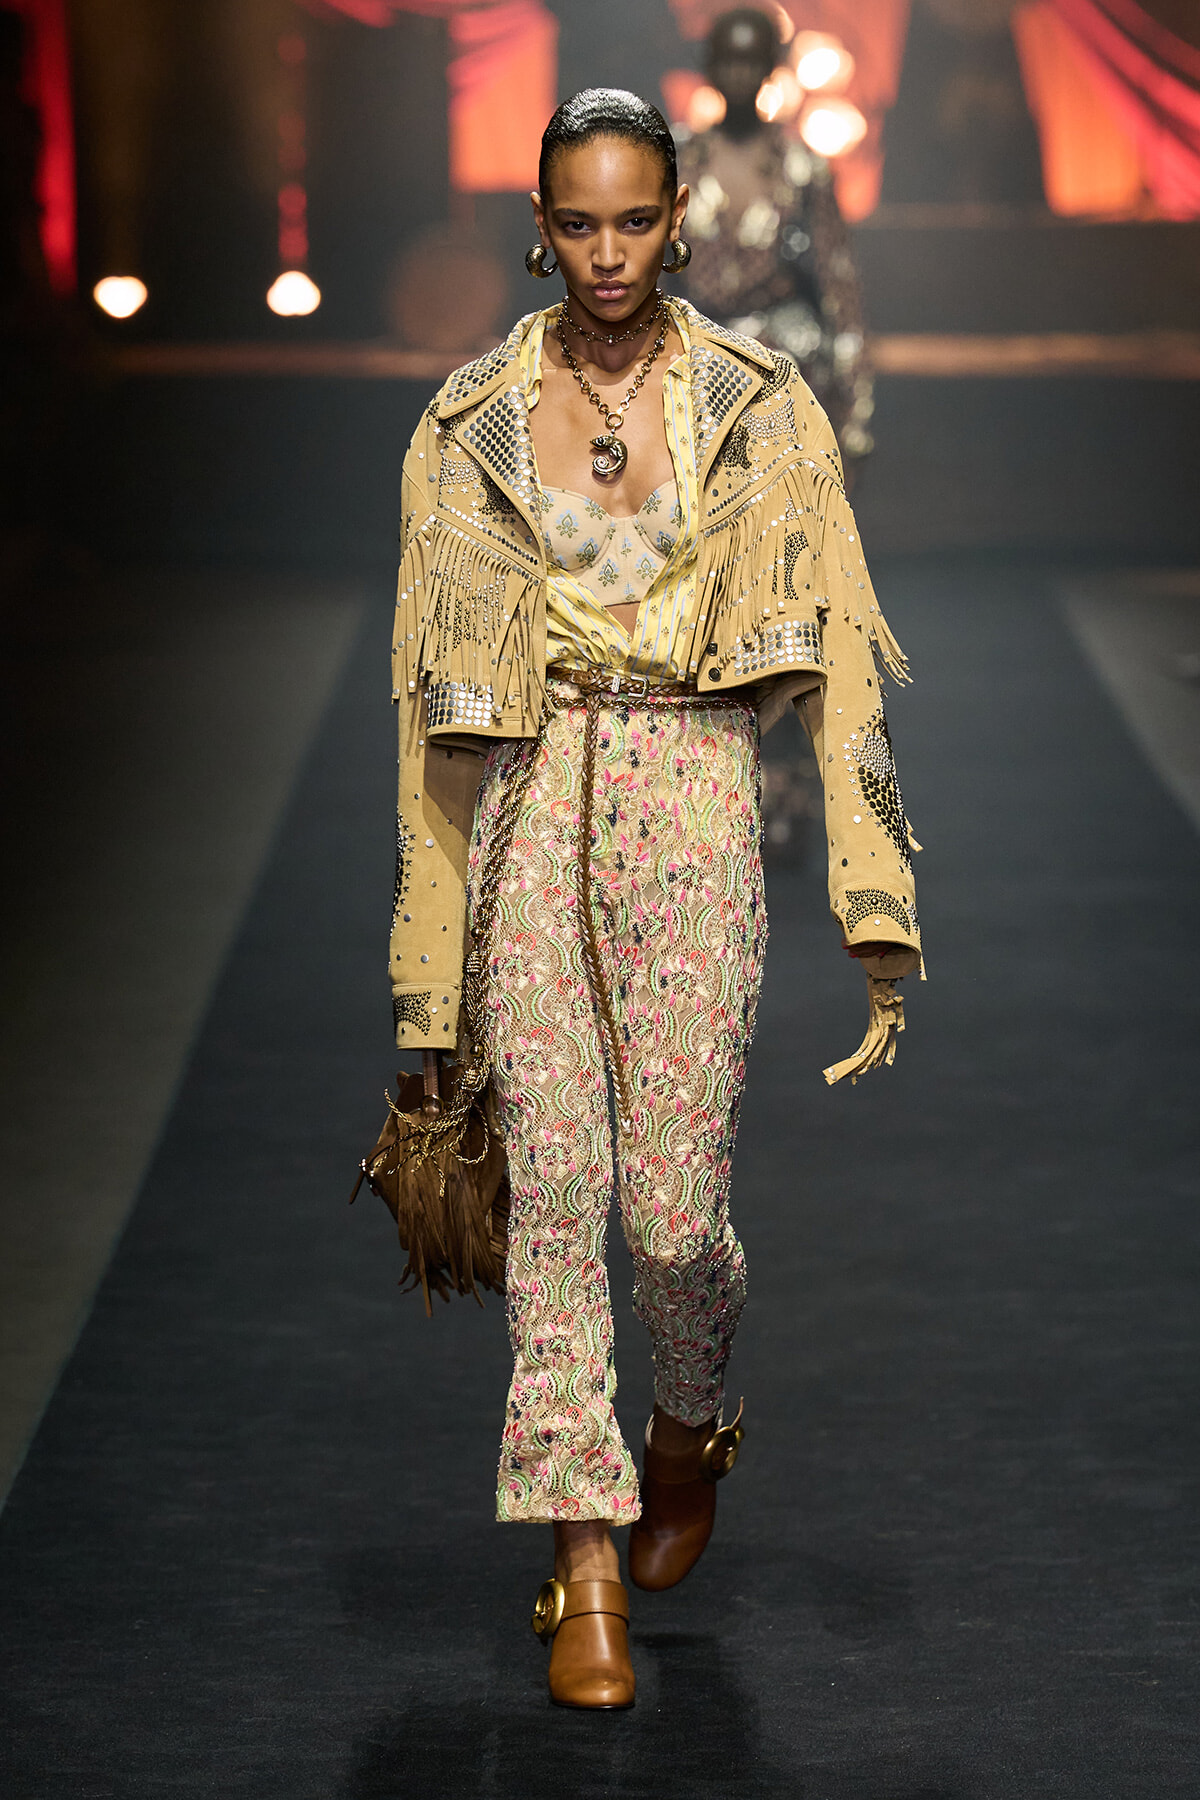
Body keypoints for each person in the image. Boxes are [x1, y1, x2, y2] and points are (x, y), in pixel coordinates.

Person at [389, 88, 921, 1710]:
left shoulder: (761, 407)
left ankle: (688, 1422)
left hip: (695, 795)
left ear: (678, 217)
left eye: (635, 220)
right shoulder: (467, 422)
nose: (608, 252)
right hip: (531, 800)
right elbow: (426, 729)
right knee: (557, 1188)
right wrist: (424, 985)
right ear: (538, 227)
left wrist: (872, 884)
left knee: (677, 1219)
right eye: (579, 223)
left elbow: (843, 659)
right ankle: (587, 1556)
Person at [678, 8, 875, 477]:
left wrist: (856, 410)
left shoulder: (801, 167)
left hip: (787, 374)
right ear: (709, 65)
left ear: (771, 67)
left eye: (751, 61)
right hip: (695, 371)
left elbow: (839, 283)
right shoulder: (676, 161)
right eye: (728, 60)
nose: (739, 73)